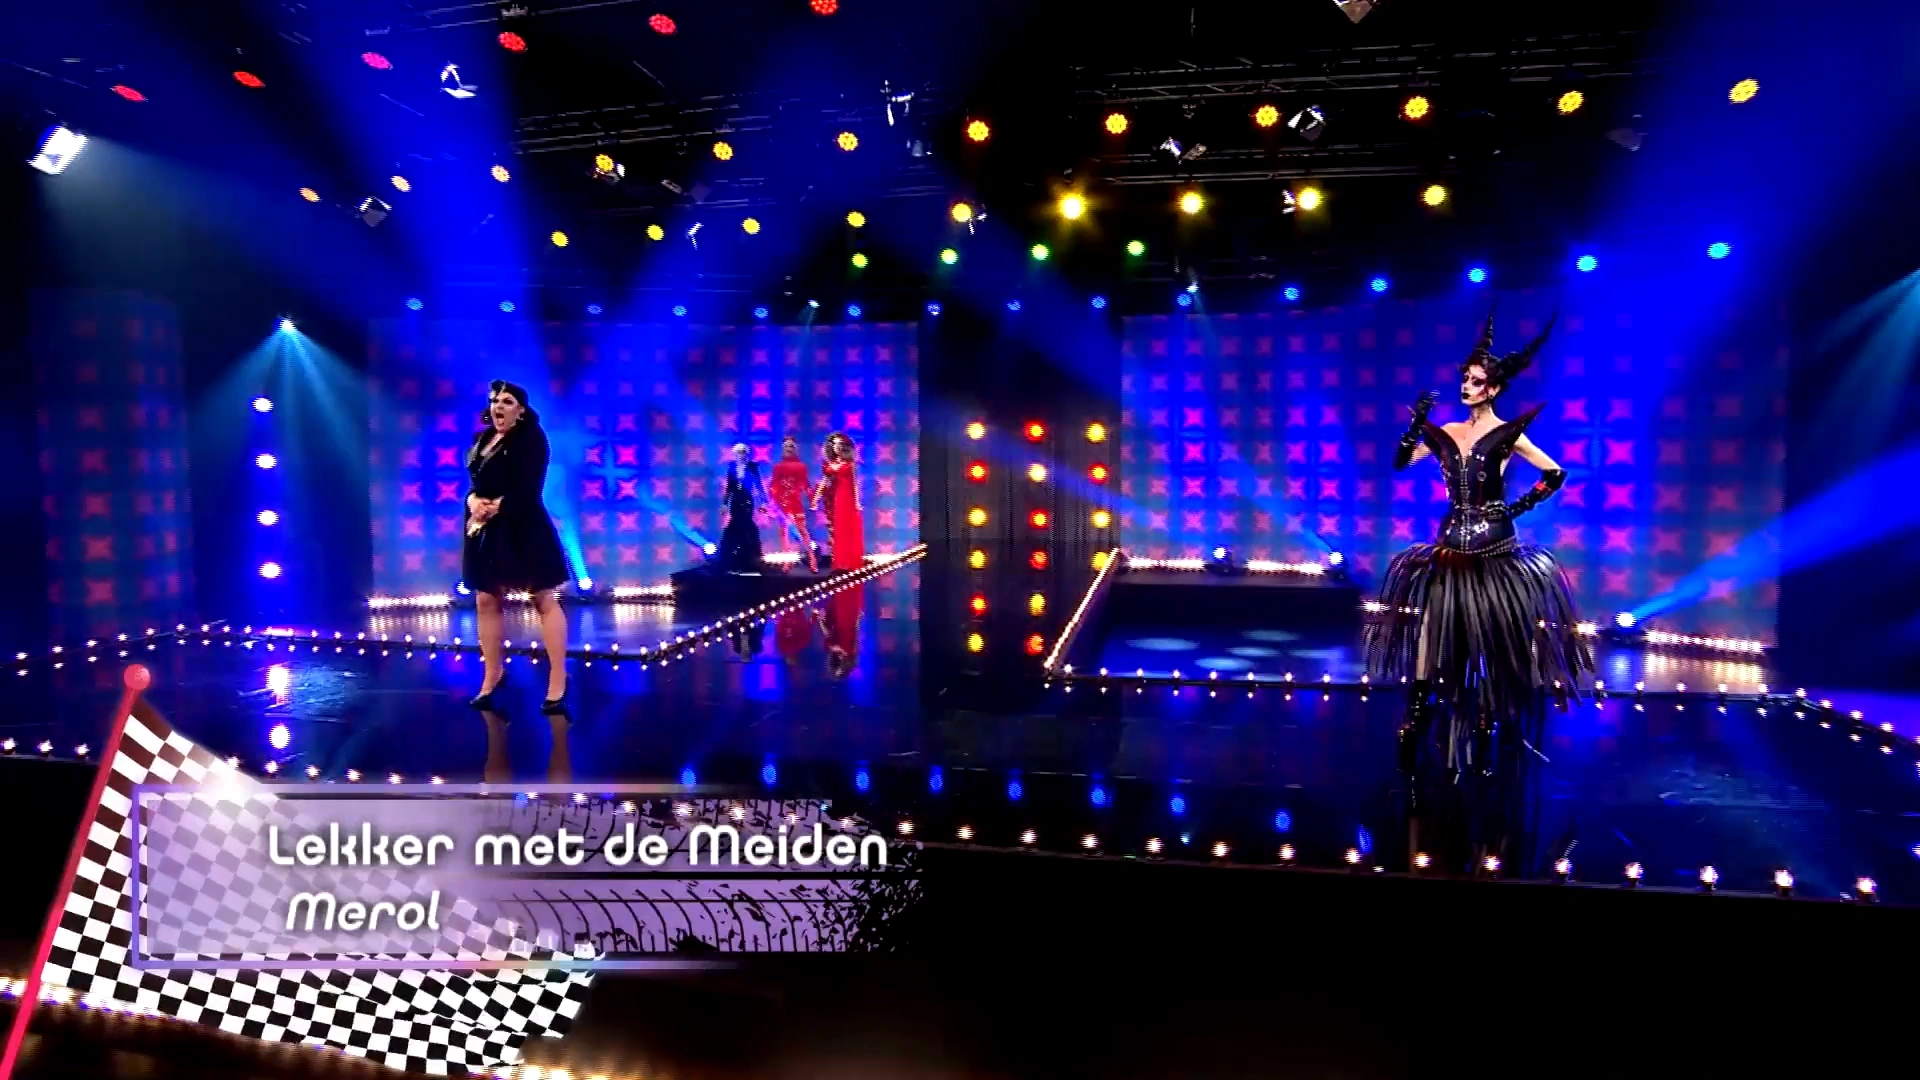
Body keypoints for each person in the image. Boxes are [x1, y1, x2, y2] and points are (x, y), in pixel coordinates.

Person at [1365, 310, 1593, 863]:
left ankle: (1494, 724)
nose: (1465, 386)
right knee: (1432, 641)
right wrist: (1416, 424)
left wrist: (1515, 507)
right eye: (1464, 379)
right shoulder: (1446, 432)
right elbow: (1400, 462)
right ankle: (1417, 721)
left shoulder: (1507, 434)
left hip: (1494, 555)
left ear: (1493, 388)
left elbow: (1555, 472)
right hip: (1449, 550)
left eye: (1475, 381)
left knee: (1491, 644)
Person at [463, 380, 571, 713]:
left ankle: (558, 678)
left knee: (543, 598)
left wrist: (496, 506)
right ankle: (493, 675)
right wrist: (472, 501)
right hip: (486, 529)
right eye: (495, 400)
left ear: (521, 411)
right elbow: (476, 483)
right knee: (485, 599)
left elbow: (529, 489)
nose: (499, 406)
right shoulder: (481, 439)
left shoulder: (532, 439)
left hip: (522, 525)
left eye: (507, 401)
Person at [811, 432, 865, 571]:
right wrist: (816, 498)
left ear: (845, 446)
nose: (837, 446)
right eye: (834, 444)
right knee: (837, 529)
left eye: (840, 444)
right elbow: (824, 482)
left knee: (847, 529)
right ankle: (839, 561)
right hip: (834, 497)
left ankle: (849, 561)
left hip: (848, 497)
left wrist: (857, 502)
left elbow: (854, 484)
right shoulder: (830, 464)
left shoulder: (850, 464)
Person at [719, 442, 769, 572]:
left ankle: (749, 561)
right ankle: (732, 562)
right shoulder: (732, 467)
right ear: (735, 454)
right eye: (738, 452)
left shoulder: (752, 466)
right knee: (734, 528)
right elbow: (729, 488)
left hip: (747, 501)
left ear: (747, 453)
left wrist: (763, 502)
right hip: (735, 501)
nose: (741, 455)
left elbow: (759, 485)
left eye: (743, 452)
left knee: (746, 527)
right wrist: (724, 504)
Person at [769, 435, 817, 571]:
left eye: (791, 446)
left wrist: (812, 499)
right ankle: (787, 561)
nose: (788, 448)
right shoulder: (778, 467)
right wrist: (771, 502)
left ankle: (812, 559)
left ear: (795, 448)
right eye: (786, 446)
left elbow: (805, 484)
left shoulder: (801, 466)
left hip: (795, 502)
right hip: (781, 503)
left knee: (802, 531)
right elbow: (774, 485)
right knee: (783, 532)